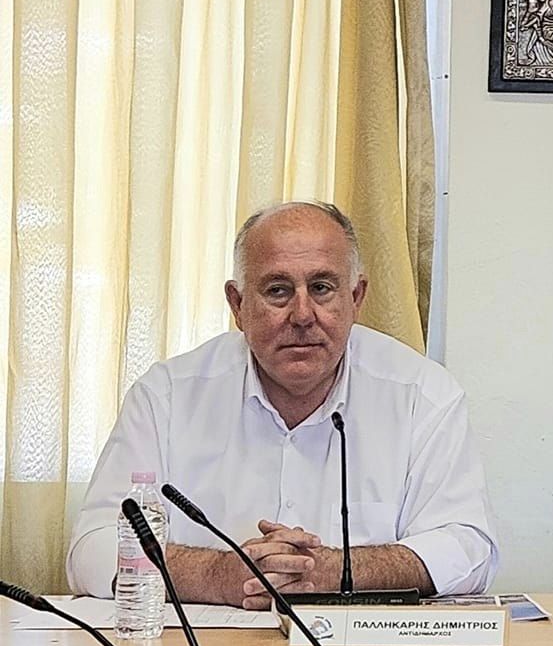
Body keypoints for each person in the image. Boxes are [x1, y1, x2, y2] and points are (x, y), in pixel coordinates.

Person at [67, 202, 499, 607]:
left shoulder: (422, 394)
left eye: (322, 288)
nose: (302, 314)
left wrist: (334, 571)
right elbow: (92, 551)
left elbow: (469, 548)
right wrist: (220, 575)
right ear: (237, 305)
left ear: (356, 297)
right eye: (278, 290)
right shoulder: (167, 395)